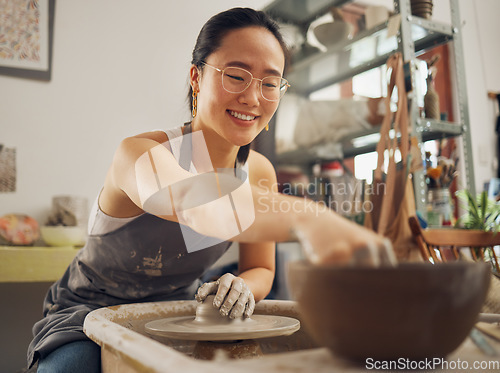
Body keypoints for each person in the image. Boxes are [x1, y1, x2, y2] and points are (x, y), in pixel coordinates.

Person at [27, 7, 391, 373]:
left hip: (183, 314)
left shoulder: (257, 171)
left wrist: (241, 285)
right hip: (90, 317)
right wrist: (314, 220)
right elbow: (192, 200)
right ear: (196, 77)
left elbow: (262, 268)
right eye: (236, 76)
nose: (253, 98)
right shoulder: (141, 154)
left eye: (269, 83)